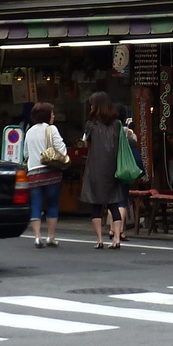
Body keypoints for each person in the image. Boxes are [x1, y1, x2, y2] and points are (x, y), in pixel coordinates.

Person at [79, 92, 125, 249]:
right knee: (114, 203)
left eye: (92, 104)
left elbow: (86, 144)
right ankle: (117, 238)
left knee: (96, 205)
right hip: (113, 168)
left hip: (95, 168)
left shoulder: (91, 124)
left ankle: (99, 240)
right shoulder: (117, 124)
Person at [23, 102, 66, 249]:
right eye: (52, 113)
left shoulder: (29, 132)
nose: (53, 116)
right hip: (51, 173)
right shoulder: (51, 129)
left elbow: (25, 154)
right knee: (52, 204)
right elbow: (62, 150)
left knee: (36, 204)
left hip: (33, 173)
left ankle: (37, 237)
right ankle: (51, 236)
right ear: (47, 115)